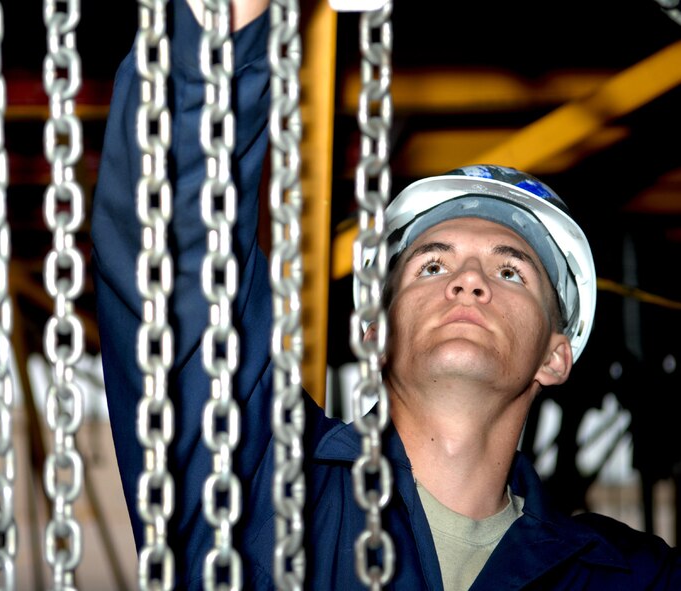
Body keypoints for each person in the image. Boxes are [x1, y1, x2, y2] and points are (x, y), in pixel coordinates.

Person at [91, 0, 681, 588]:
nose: (467, 281)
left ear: (556, 356)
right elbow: (178, 260)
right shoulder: (264, 485)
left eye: (510, 273)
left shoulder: (626, 575)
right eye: (430, 266)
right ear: (374, 332)